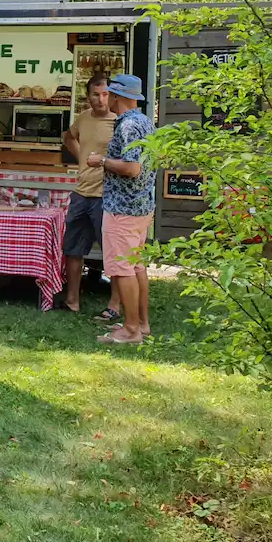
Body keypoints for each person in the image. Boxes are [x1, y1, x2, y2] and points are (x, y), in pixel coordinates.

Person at [87, 75, 157, 345]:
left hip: (123, 208)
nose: (107, 99)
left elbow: (132, 168)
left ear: (117, 96)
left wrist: (101, 160)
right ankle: (141, 323)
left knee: (123, 269)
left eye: (110, 94)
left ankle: (130, 331)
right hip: (141, 206)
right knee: (137, 266)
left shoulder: (127, 125)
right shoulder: (145, 121)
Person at [60, 74, 120, 317]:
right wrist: (81, 157)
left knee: (112, 254)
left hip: (106, 196)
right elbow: (68, 137)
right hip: (81, 193)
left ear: (111, 96)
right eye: (96, 94)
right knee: (73, 249)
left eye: (105, 94)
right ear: (88, 96)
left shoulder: (118, 122)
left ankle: (115, 305)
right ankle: (72, 300)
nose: (101, 99)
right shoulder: (83, 118)